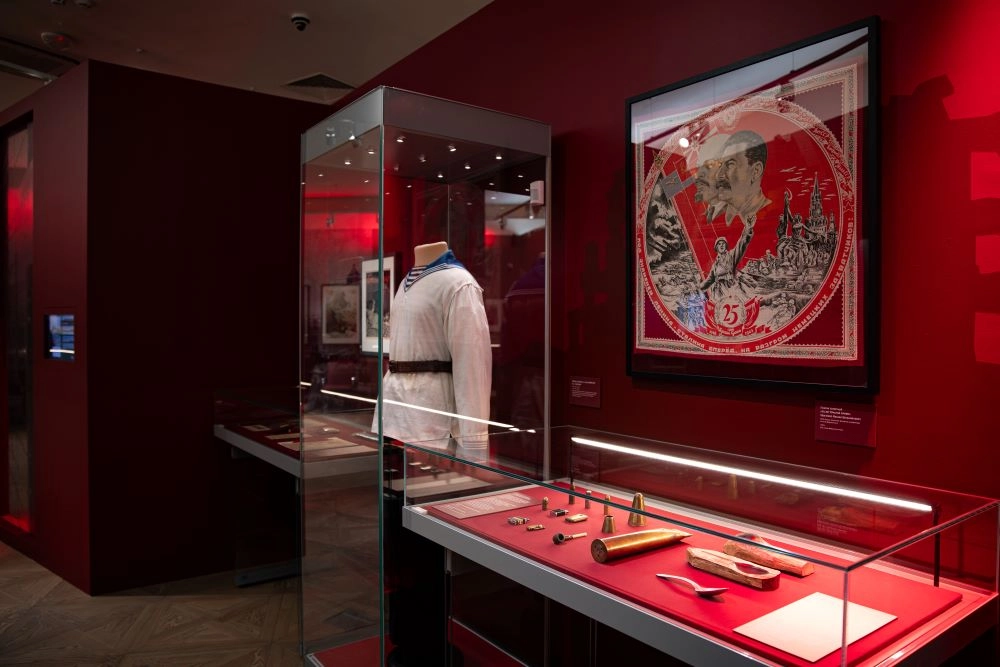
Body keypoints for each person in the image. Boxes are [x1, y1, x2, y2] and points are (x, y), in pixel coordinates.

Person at [374, 241, 492, 463]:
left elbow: (472, 366)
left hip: (431, 418)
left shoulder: (459, 283)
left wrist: (473, 442)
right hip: (396, 413)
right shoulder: (405, 284)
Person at [716, 130, 771, 226]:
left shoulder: (772, 216)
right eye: (720, 165)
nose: (719, 175)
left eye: (730, 165)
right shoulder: (715, 219)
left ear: (756, 171)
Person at [700, 215, 756, 304]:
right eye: (719, 244)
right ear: (716, 248)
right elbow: (709, 280)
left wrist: (748, 228)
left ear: (726, 246)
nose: (721, 245)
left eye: (723, 243)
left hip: (732, 287)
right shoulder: (715, 265)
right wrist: (698, 288)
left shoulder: (731, 256)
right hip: (720, 292)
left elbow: (741, 244)